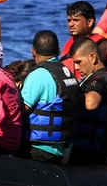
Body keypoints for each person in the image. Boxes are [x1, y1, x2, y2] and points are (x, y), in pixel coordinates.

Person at [20, 30, 81, 164]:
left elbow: (19, 111)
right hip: (66, 150)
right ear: (58, 51)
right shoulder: (67, 73)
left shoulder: (38, 75)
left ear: (33, 52)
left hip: (41, 150)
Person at [69, 36, 107, 162]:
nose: (77, 67)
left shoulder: (98, 80)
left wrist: (67, 95)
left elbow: (91, 103)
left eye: (79, 62)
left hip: (88, 153)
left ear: (92, 57)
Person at [60, 1, 107, 75]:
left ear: (89, 22)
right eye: (69, 20)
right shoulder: (68, 43)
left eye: (76, 20)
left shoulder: (102, 45)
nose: (71, 24)